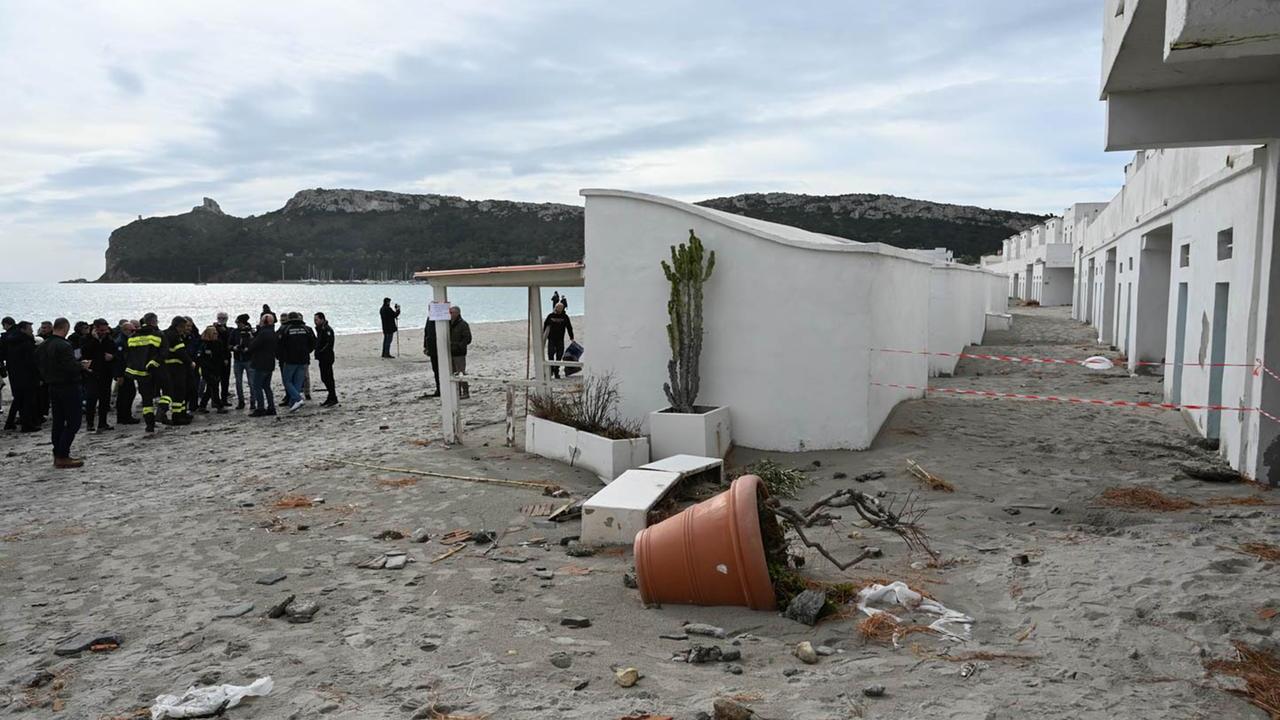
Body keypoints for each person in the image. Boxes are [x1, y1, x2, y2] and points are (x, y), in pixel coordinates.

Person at [35, 318, 86, 468]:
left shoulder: (43, 345)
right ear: (65, 328)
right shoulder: (64, 345)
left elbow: (38, 364)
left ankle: (58, 453)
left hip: (52, 385)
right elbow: (69, 366)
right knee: (74, 422)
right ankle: (62, 455)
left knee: (58, 422)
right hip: (68, 386)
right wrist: (81, 366)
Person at [124, 314, 165, 433]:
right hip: (156, 371)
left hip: (139, 373)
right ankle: (161, 411)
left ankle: (149, 424)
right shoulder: (157, 335)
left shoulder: (133, 337)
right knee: (167, 392)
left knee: (147, 401)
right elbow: (163, 353)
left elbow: (128, 355)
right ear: (154, 322)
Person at [3, 321, 40, 432]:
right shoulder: (26, 342)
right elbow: (31, 362)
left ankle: (10, 422)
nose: (32, 331)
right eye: (30, 329)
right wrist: (37, 375)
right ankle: (26, 425)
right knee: (28, 400)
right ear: (23, 330)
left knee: (18, 399)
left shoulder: (11, 341)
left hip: (15, 374)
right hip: (27, 375)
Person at [81, 319, 116, 431]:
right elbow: (84, 352)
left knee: (105, 399)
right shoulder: (87, 339)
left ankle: (103, 423)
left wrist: (112, 356)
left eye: (105, 330)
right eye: (101, 330)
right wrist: (95, 340)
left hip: (106, 372)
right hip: (92, 372)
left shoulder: (109, 339)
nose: (104, 332)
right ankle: (90, 423)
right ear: (95, 329)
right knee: (91, 399)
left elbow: (115, 351)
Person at [277, 311, 316, 411]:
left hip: (290, 359)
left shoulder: (285, 329)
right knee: (297, 383)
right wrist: (306, 351)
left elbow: (279, 344)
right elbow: (313, 343)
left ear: (289, 319)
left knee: (287, 381)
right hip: (304, 359)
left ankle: (298, 399)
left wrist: (282, 355)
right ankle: (293, 403)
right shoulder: (307, 329)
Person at [160, 316, 193, 425]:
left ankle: (181, 413)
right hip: (176, 367)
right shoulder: (175, 336)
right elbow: (181, 352)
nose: (184, 329)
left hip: (166, 367)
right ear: (178, 326)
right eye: (183, 327)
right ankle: (177, 416)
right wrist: (190, 362)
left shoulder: (164, 333)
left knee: (175, 391)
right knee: (179, 391)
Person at [248, 313, 278, 416]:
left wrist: (252, 338)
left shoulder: (263, 333)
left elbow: (253, 346)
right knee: (266, 386)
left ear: (264, 322)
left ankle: (260, 408)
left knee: (257, 386)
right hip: (270, 363)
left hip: (260, 363)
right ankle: (271, 407)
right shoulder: (273, 333)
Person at [197, 325, 228, 413]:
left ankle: (202, 405)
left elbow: (221, 354)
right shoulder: (204, 344)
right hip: (207, 369)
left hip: (217, 369)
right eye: (214, 333)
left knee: (210, 388)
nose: (216, 335)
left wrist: (223, 361)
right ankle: (219, 406)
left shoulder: (218, 343)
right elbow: (201, 359)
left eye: (216, 333)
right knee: (214, 387)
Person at [113, 321, 140, 425]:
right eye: (132, 330)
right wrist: (119, 375)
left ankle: (125, 416)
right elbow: (119, 360)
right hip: (123, 372)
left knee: (129, 393)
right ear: (125, 330)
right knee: (125, 395)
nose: (134, 332)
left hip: (127, 371)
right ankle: (123, 417)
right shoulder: (120, 342)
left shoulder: (127, 339)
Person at [542, 302, 575, 379]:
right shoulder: (550, 316)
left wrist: (571, 337)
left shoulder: (565, 317)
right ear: (555, 308)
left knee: (559, 355)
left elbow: (569, 327)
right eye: (557, 308)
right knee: (550, 354)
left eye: (560, 308)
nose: (559, 310)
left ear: (562, 309)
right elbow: (545, 325)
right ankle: (551, 370)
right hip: (551, 339)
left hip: (560, 339)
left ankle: (556, 370)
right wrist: (543, 336)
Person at [229, 314, 255, 410]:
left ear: (243, 323)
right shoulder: (234, 332)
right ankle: (241, 401)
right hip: (238, 359)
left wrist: (248, 348)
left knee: (251, 382)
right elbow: (229, 344)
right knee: (238, 382)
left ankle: (253, 401)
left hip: (249, 359)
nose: (238, 324)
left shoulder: (251, 331)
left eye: (239, 323)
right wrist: (234, 347)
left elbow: (255, 344)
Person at [313, 312, 338, 407]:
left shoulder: (327, 329)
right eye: (314, 320)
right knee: (324, 377)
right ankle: (331, 396)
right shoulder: (320, 329)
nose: (315, 321)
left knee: (328, 378)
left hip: (327, 357)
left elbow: (329, 344)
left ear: (322, 319)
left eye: (316, 319)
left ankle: (333, 397)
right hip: (322, 357)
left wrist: (320, 351)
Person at [448, 306, 472, 399]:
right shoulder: (448, 323)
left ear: (457, 313)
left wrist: (458, 346)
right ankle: (457, 392)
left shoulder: (463, 324)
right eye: (449, 312)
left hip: (459, 353)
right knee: (453, 373)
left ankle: (465, 392)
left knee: (461, 372)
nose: (450, 314)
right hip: (450, 352)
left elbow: (468, 339)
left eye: (452, 313)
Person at [214, 312, 232, 406]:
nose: (221, 320)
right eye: (220, 318)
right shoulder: (213, 329)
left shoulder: (228, 330)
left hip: (226, 357)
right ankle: (215, 400)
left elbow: (227, 344)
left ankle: (224, 399)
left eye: (223, 318)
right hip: (216, 358)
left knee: (225, 380)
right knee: (215, 380)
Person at [423, 316, 441, 397]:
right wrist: (426, 346)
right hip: (432, 348)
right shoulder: (429, 318)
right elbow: (426, 332)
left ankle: (443, 388)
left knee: (443, 369)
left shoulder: (441, 316)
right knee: (436, 370)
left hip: (442, 348)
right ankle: (439, 388)